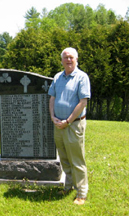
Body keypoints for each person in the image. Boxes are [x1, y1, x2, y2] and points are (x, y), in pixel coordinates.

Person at [48, 47, 91, 205]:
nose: (68, 60)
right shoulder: (58, 77)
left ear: (76, 59)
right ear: (61, 60)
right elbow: (52, 98)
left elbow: (83, 102)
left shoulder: (81, 77)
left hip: (73, 125)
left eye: (71, 57)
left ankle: (82, 192)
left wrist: (68, 121)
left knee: (76, 159)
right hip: (58, 124)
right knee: (64, 158)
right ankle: (68, 186)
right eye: (65, 57)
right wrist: (53, 117)